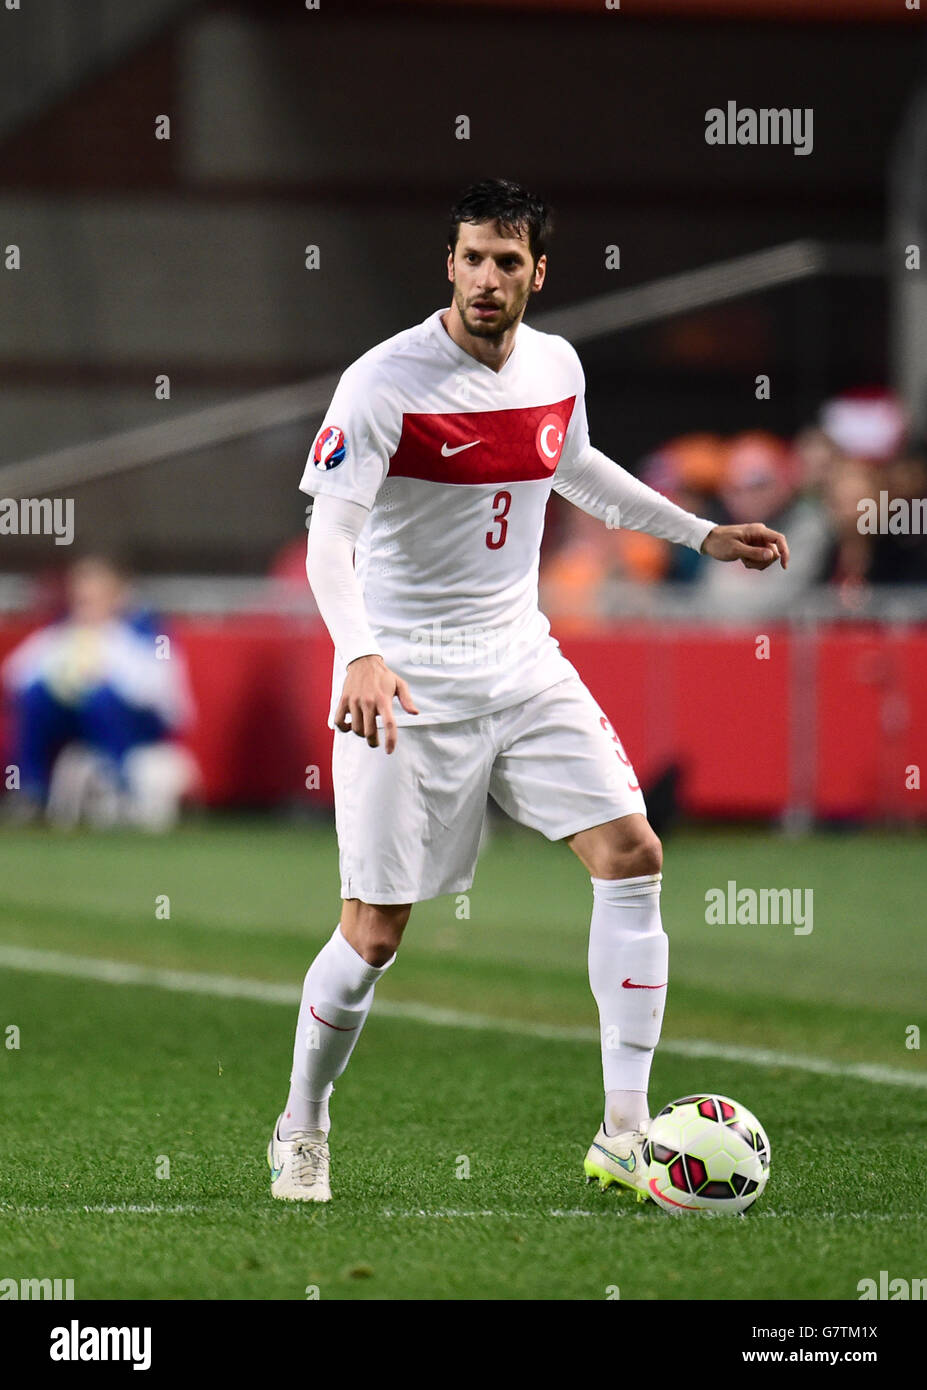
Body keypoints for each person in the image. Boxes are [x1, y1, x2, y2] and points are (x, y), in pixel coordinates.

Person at [269, 178, 789, 1203]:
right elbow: (330, 534)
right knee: (373, 934)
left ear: (537, 274)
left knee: (632, 853)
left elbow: (578, 466)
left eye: (508, 262)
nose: (487, 278)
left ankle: (625, 1130)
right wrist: (359, 651)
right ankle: (303, 1122)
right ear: (449, 264)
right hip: (405, 676)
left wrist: (701, 532)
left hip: (520, 658)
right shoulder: (384, 381)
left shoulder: (556, 364)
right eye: (472, 257)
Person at [2, 556, 197, 830]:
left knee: (101, 697)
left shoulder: (146, 633)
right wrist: (62, 676)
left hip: (138, 724)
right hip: (79, 722)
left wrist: (104, 668)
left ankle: (120, 787)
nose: (86, 605)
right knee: (36, 696)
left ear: (117, 596)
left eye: (95, 596)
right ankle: (31, 790)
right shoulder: (62, 632)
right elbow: (14, 677)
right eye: (81, 598)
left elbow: (162, 692)